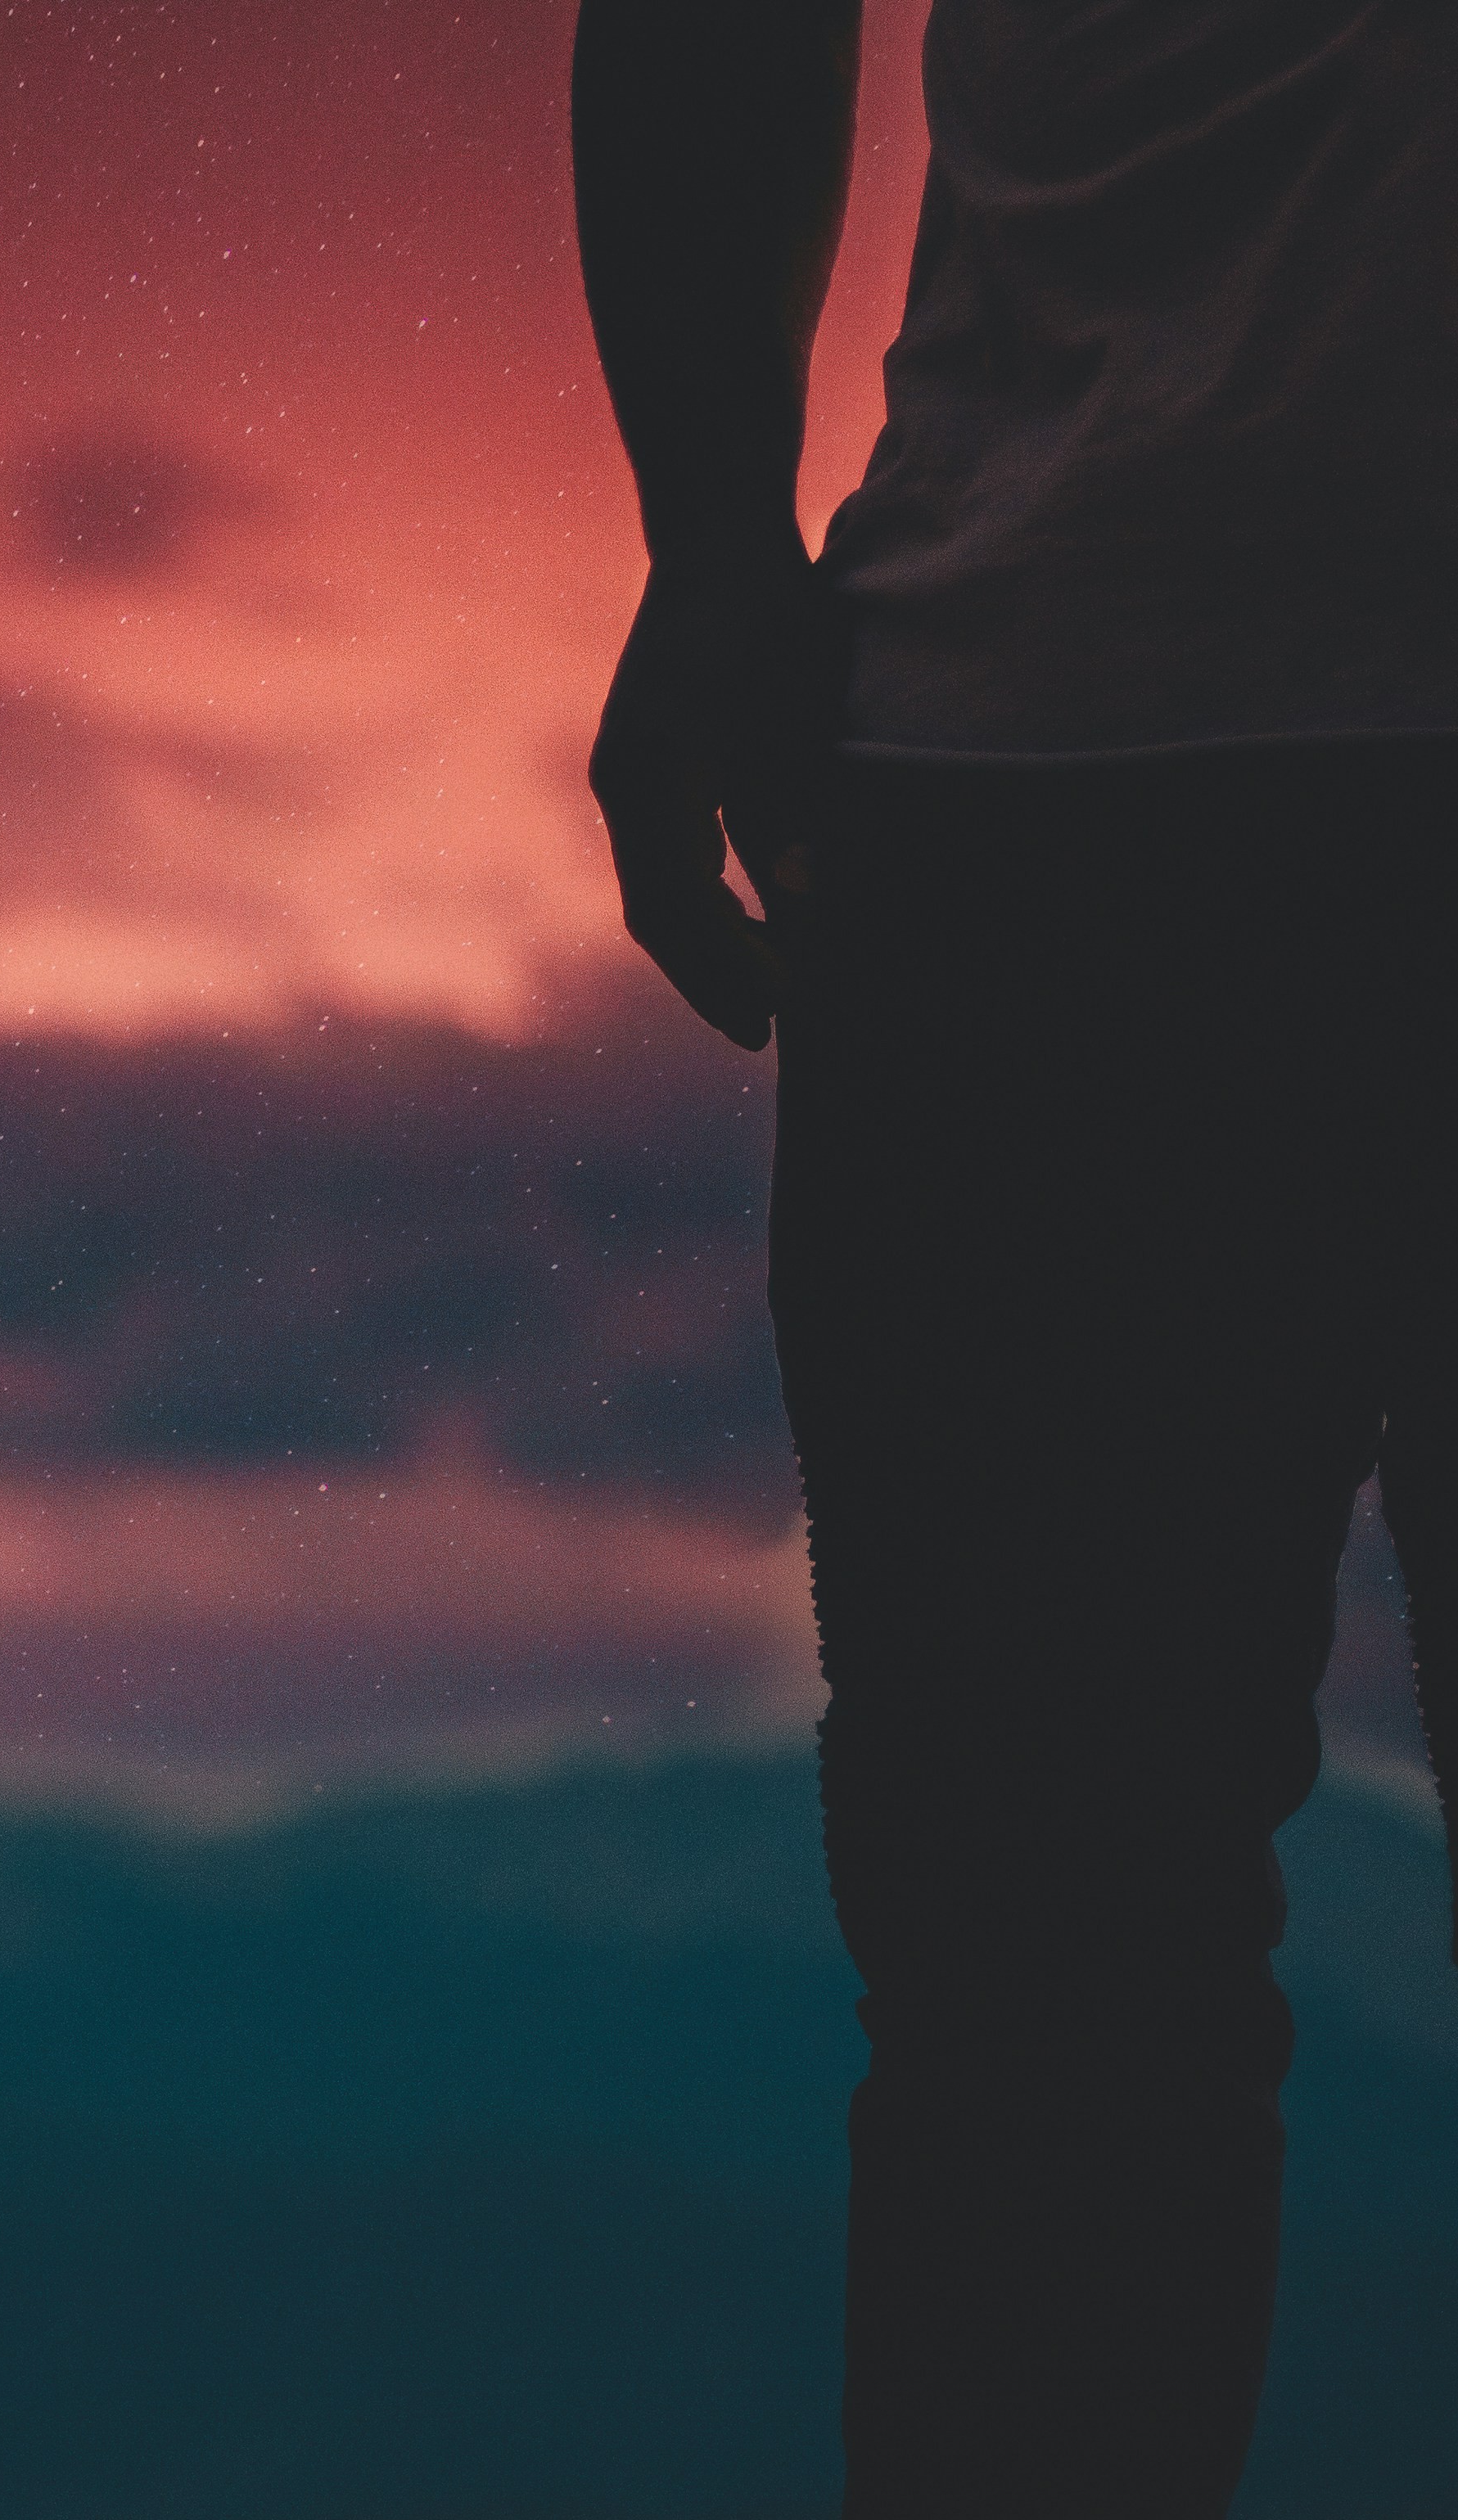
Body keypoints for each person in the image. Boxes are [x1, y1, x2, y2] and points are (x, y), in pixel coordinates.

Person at [569, 0, 1458, 2509]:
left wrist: (724, 545)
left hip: (1043, 790)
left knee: (1044, 2047)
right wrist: (715, 542)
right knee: (1035, 2031)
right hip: (1040, 794)